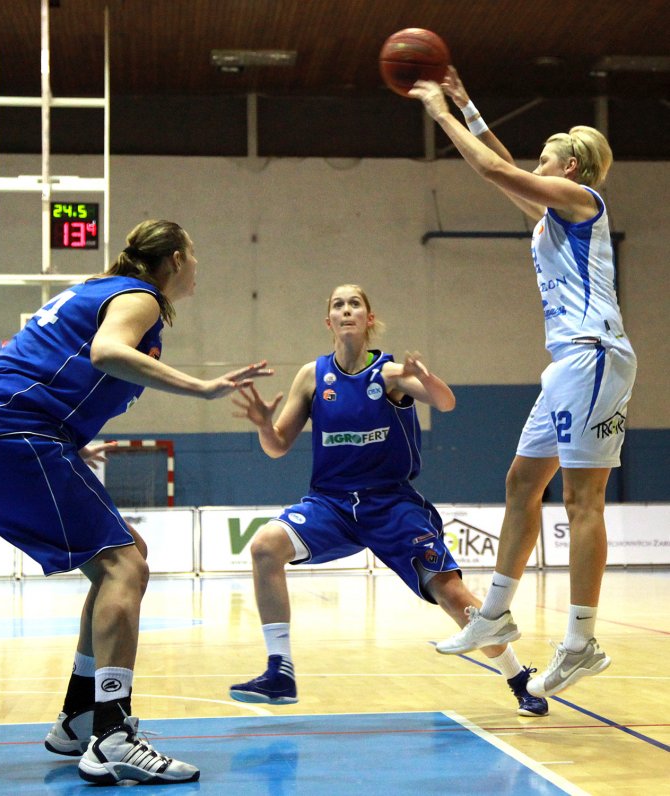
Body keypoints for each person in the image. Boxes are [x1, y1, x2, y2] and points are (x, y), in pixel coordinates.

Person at [0, 219, 272, 786]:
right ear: (174, 259)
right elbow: (106, 352)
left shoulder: (97, 290)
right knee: (124, 567)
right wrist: (201, 387)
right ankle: (112, 733)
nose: (197, 266)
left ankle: (79, 716)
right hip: (9, 436)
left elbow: (47, 367)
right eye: (193, 255)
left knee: (126, 554)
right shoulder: (139, 296)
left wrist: (70, 441)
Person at [410, 69, 637, 697]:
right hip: (566, 363)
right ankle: (494, 613)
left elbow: (494, 170)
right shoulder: (552, 217)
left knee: (582, 500)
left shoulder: (582, 201)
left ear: (571, 168)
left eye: (545, 159)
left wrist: (439, 113)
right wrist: (467, 104)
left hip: (594, 356)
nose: (535, 167)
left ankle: (581, 641)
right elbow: (505, 166)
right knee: (521, 483)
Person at [228, 283, 549, 718]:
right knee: (265, 546)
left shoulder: (390, 374)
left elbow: (446, 402)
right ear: (328, 321)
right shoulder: (311, 376)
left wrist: (426, 378)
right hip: (331, 504)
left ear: (369, 319)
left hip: (390, 505)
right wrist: (265, 425)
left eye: (354, 304)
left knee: (453, 596)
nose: (346, 310)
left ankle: (518, 679)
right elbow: (277, 446)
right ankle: (279, 671)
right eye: (338, 305)